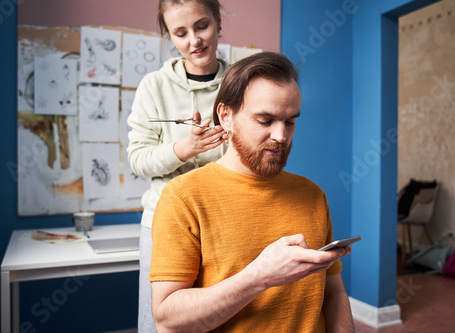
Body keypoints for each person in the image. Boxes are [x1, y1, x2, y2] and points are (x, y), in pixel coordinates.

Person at [149, 52, 355, 332]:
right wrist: (259, 277)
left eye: (290, 121)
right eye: (265, 120)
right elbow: (167, 319)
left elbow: (333, 293)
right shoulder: (183, 197)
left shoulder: (313, 194)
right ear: (226, 116)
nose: (281, 136)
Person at [126, 0, 228, 331]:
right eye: (180, 33)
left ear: (218, 22)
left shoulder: (241, 80)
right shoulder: (153, 86)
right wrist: (185, 148)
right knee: (159, 323)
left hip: (223, 219)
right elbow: (138, 159)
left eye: (202, 26)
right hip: (165, 222)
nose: (194, 41)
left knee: (221, 316)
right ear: (170, 36)